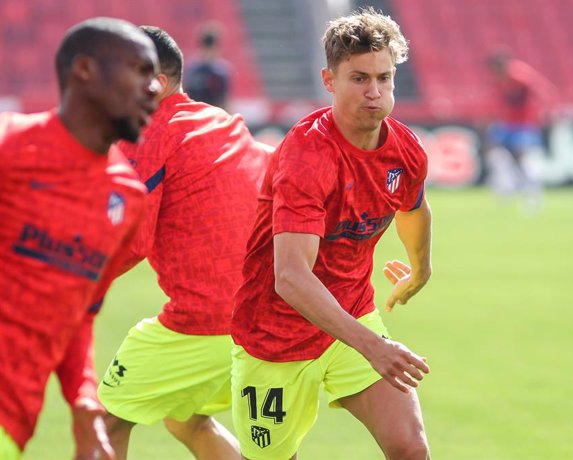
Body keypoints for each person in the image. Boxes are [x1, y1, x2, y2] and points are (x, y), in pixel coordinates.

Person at [230, 8, 432, 459]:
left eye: (384, 77)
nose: (374, 92)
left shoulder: (406, 149)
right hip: (274, 337)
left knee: (410, 450)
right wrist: (374, 348)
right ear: (329, 80)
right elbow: (291, 278)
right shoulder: (308, 157)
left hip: (353, 315)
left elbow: (414, 208)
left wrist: (421, 270)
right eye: (359, 78)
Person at [96, 25, 271, 460]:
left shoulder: (147, 133)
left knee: (106, 423)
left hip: (206, 321)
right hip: (266, 315)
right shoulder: (220, 121)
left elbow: (130, 242)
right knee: (186, 418)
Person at [0, 17, 160, 460]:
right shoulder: (10, 147)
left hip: (15, 421)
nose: (154, 87)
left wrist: (84, 398)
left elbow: (79, 313)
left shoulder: (126, 198)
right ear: (85, 70)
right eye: (139, 70)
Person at [483, 47, 556, 214]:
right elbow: (499, 103)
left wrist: (545, 114)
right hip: (506, 123)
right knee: (492, 151)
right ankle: (507, 187)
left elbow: (544, 93)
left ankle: (533, 196)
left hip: (524, 125)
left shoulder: (521, 77)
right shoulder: (498, 80)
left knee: (524, 159)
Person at [185, 22, 233, 109]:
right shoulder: (192, 69)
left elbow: (224, 99)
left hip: (205, 114)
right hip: (202, 114)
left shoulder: (221, 70)